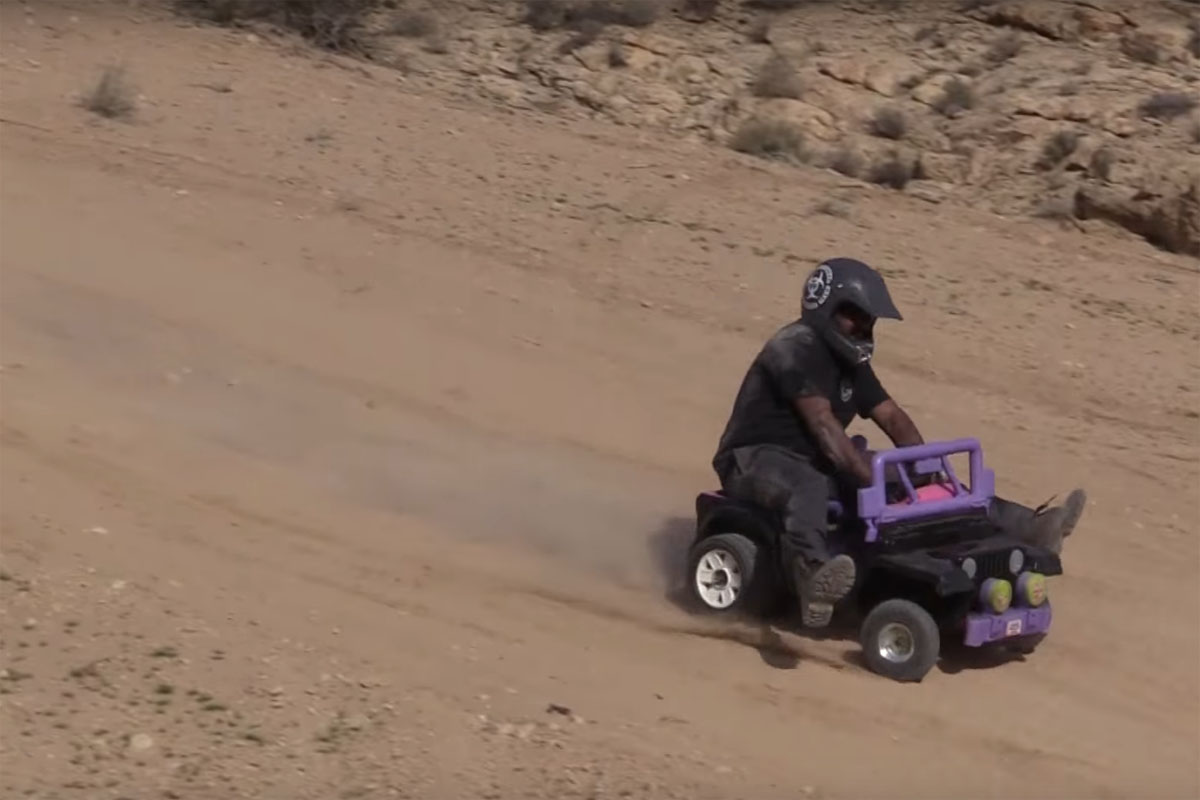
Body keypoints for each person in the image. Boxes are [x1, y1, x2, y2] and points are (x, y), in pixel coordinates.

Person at [711, 257, 1086, 628]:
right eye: (854, 316)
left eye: (869, 320)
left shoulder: (851, 362)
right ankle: (812, 574)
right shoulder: (793, 347)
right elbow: (825, 429)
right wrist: (873, 484)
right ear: (824, 308)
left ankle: (1028, 525)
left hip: (813, 459)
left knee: (914, 478)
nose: (863, 327)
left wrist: (923, 473)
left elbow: (892, 417)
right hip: (754, 458)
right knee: (808, 485)